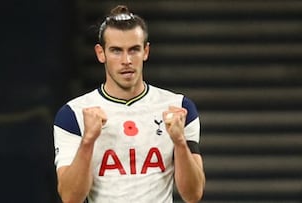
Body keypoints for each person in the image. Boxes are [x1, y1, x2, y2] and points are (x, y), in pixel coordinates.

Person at [53, 5, 205, 203]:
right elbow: (70, 197)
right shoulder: (72, 114)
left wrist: (179, 142)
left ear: (146, 51)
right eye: (116, 51)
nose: (126, 60)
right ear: (101, 53)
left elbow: (193, 195)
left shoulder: (179, 108)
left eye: (134, 50)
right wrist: (88, 141)